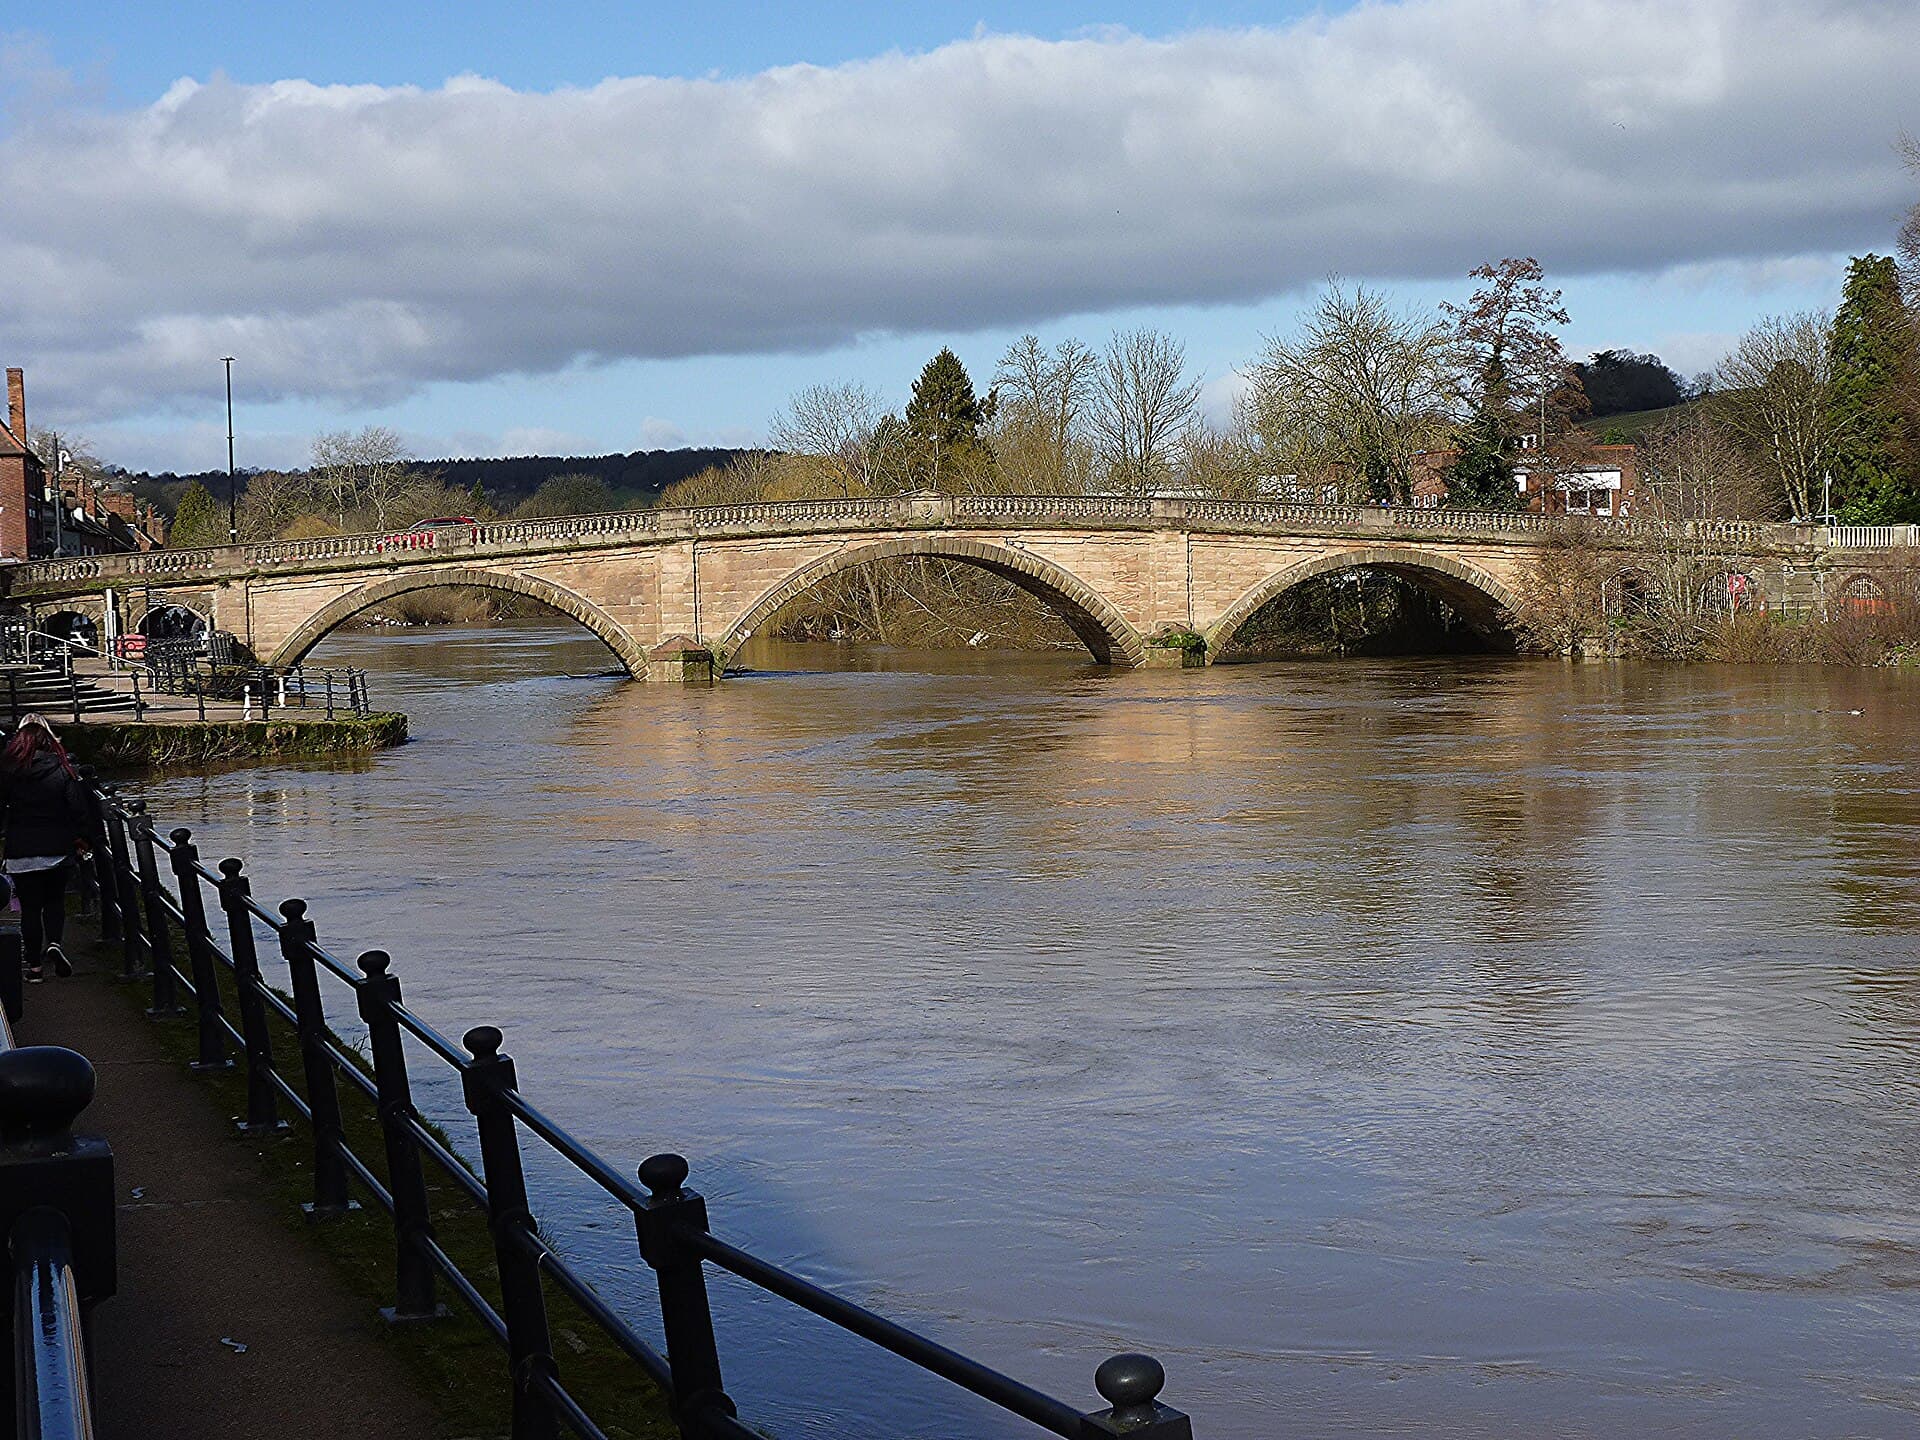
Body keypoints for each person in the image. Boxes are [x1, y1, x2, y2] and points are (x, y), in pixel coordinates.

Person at [0, 715, 91, 983]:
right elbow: (78, 808)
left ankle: (35, 968)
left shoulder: (7, 773)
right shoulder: (62, 769)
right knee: (54, 902)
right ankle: (54, 943)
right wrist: (83, 838)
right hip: (56, 847)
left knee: (29, 909)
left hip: (21, 849)